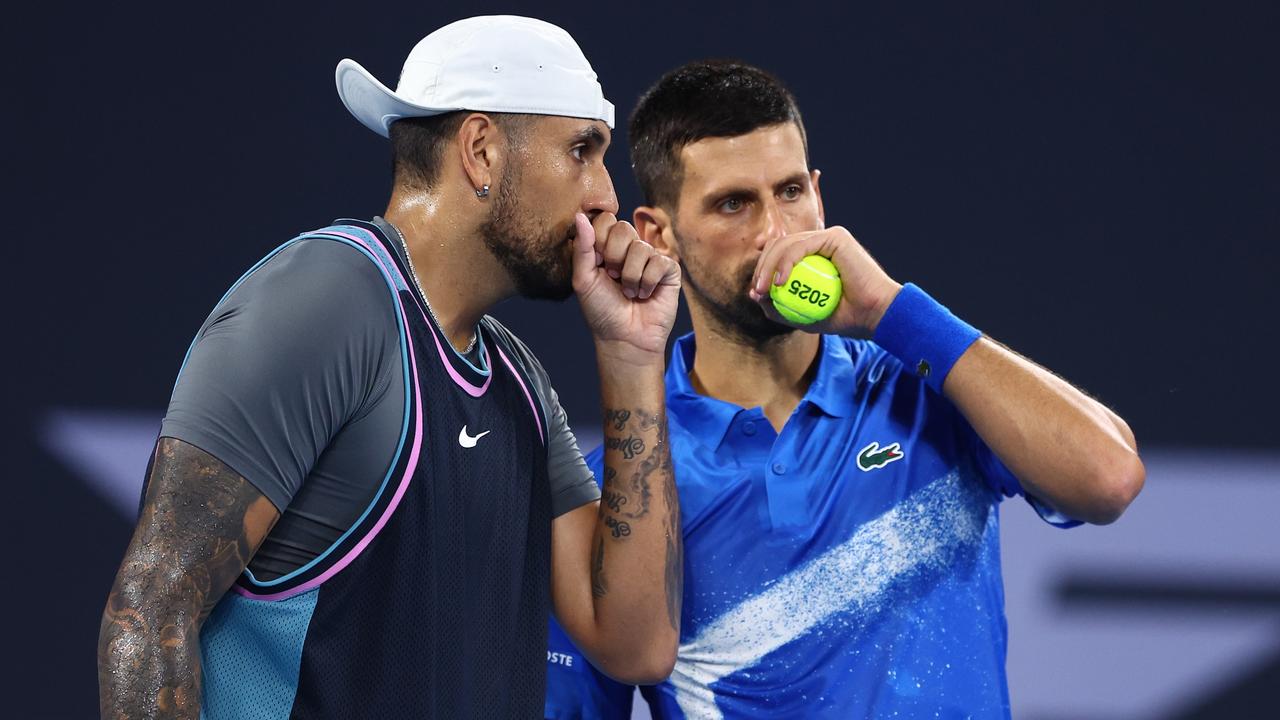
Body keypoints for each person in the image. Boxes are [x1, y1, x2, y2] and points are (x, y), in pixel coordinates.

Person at [97, 16, 684, 719]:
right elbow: (149, 613)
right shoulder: (324, 303)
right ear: (482, 151)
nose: (605, 196)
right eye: (582, 151)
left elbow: (637, 644)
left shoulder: (518, 381)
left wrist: (631, 357)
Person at [544, 60, 1145, 719]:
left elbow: (1110, 478)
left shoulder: (929, 386)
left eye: (791, 191)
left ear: (820, 197)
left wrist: (891, 310)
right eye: (733, 204)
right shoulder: (627, 488)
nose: (776, 231)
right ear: (659, 234)